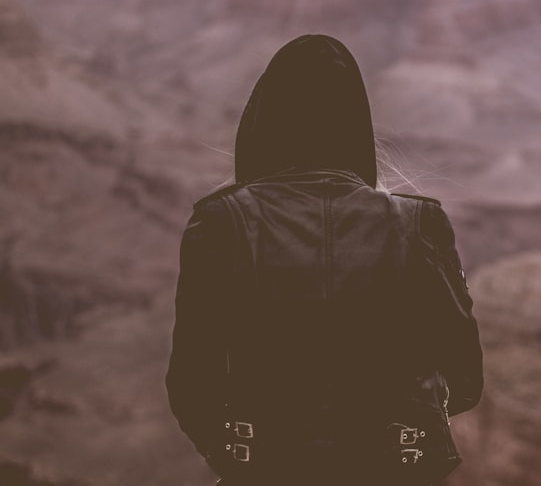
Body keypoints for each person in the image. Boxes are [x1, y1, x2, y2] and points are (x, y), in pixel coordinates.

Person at [166, 34, 484, 485]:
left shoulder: (219, 222)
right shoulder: (420, 225)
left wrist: (241, 458)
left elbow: (192, 388)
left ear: (262, 123)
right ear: (355, 125)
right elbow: (466, 378)